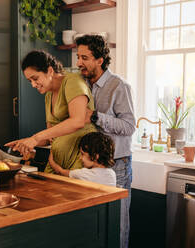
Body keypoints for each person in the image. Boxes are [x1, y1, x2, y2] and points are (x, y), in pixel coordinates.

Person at [76, 35, 136, 248]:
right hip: (90, 163)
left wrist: (95, 116)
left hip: (117, 164)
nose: (79, 62)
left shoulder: (119, 86)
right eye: (78, 57)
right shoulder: (81, 84)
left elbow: (129, 127)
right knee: (93, 224)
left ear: (100, 60)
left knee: (117, 224)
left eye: (84, 57)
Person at [6, 50, 97, 173]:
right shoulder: (48, 95)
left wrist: (35, 138)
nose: (33, 85)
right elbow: (50, 136)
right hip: (57, 161)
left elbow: (78, 121)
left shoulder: (73, 82)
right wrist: (26, 142)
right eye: (30, 81)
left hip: (79, 159)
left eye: (35, 78)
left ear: (49, 71)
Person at [48, 132, 116, 187]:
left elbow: (60, 172)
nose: (80, 158)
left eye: (82, 154)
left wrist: (51, 157)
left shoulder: (83, 174)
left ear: (95, 156)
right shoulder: (112, 174)